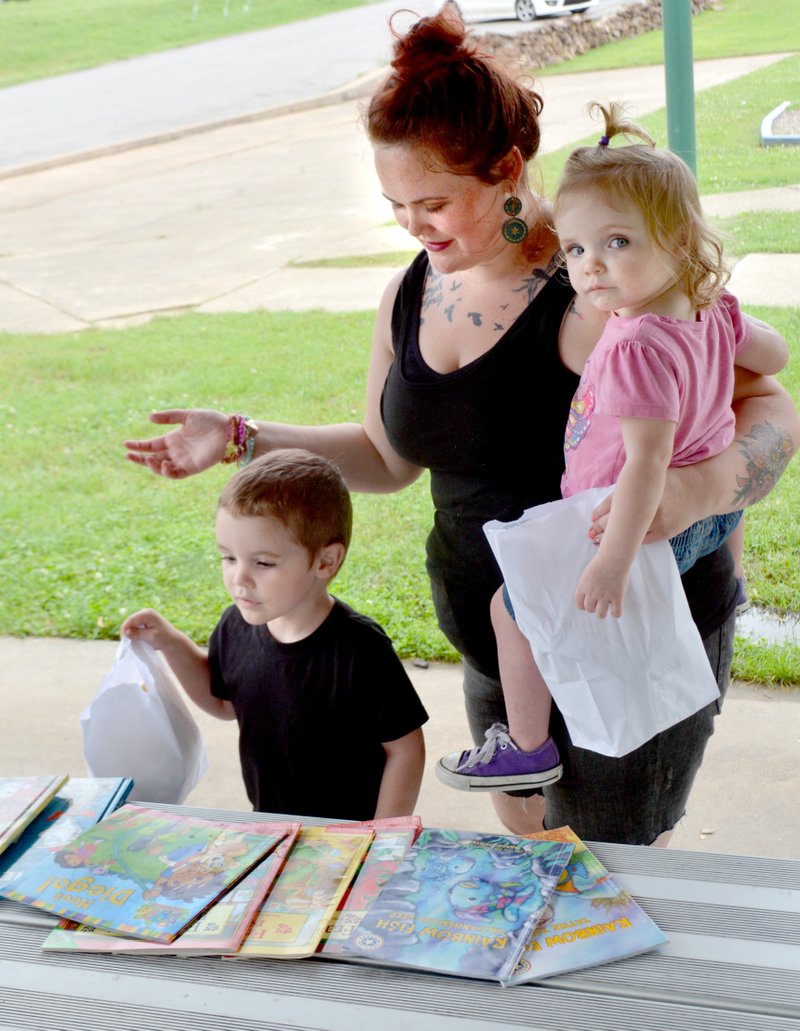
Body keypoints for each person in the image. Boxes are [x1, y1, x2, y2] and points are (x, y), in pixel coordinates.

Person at [123, 7, 798, 845]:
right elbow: (385, 456)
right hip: (500, 651)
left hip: (622, 636)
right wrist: (239, 435)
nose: (412, 223)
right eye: (396, 203)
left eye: (434, 201)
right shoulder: (411, 292)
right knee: (531, 862)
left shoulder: (600, 289)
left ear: (509, 169)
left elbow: (767, 398)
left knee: (618, 870)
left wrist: (704, 487)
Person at [435, 102, 788, 793]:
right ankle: (728, 594)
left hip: (626, 517)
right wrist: (720, 326)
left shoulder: (633, 344)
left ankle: (528, 746)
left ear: (680, 239)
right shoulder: (708, 308)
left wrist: (612, 561)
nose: (591, 267)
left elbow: (648, 462)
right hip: (711, 520)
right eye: (576, 249)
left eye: (617, 243)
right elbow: (772, 354)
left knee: (513, 608)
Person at [121, 448, 428, 823]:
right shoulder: (236, 626)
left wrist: (381, 835)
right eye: (229, 558)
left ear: (325, 561)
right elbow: (224, 703)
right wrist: (171, 643)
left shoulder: (359, 650)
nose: (239, 578)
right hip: (272, 826)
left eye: (263, 563)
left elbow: (405, 749)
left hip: (350, 833)